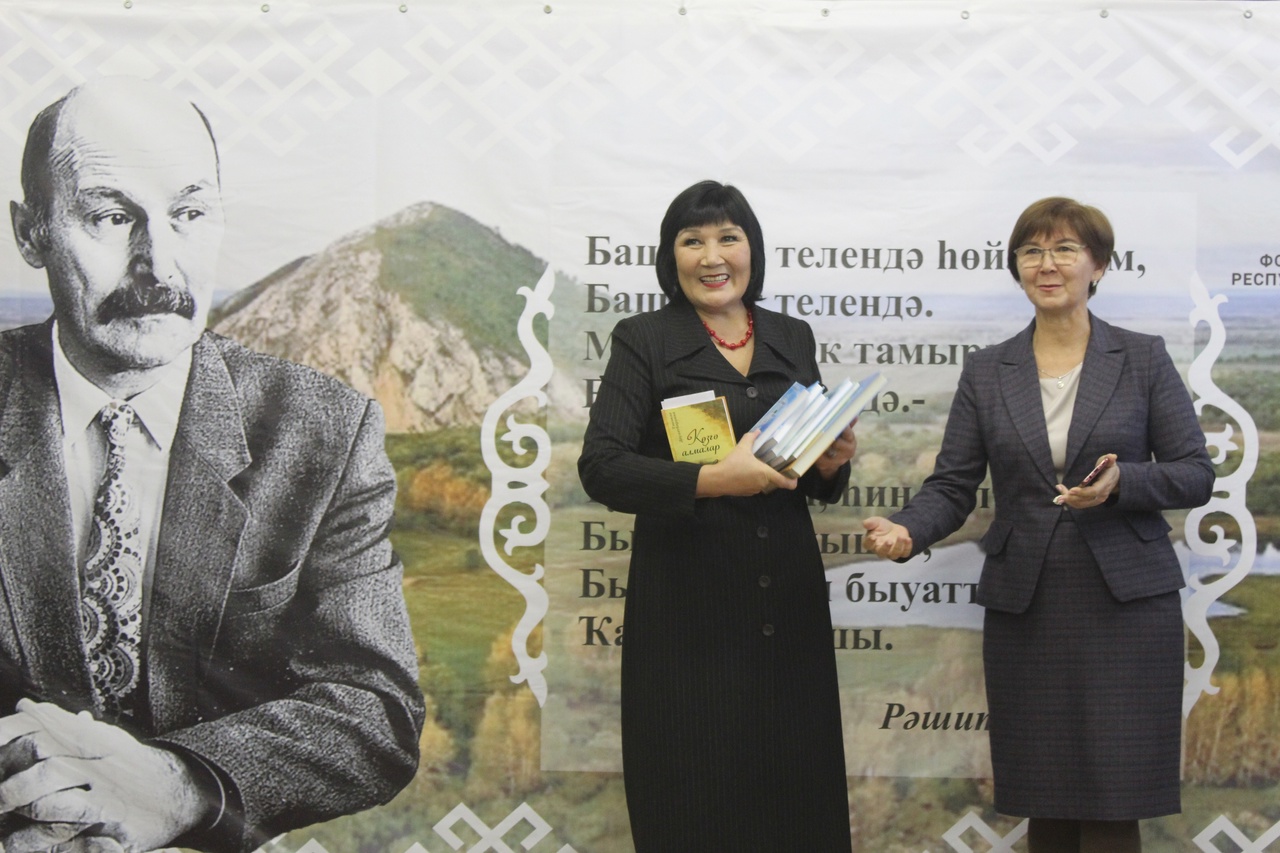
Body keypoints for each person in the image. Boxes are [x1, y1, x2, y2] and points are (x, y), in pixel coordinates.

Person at [0, 77, 424, 853]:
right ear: (31, 235)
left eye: (189, 214)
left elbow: (374, 707)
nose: (159, 266)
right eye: (110, 216)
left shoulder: (324, 432)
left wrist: (180, 786)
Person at [863, 197, 1213, 853]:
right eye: (1032, 251)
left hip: (1128, 604)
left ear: (1098, 266)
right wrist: (908, 531)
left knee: (1114, 801)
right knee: (1045, 799)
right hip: (1030, 603)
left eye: (1064, 250)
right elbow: (952, 484)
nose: (1046, 264)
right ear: (1018, 267)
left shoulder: (1141, 357)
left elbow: (1195, 472)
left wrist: (1121, 484)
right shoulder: (987, 370)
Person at [578, 180, 855, 852]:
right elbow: (602, 465)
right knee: (695, 800)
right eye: (692, 240)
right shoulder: (645, 339)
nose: (712, 256)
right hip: (687, 612)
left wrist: (830, 462)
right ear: (669, 256)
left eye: (728, 237)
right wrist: (712, 480)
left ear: (751, 248)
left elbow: (814, 479)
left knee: (799, 797)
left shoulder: (792, 336)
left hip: (788, 604)